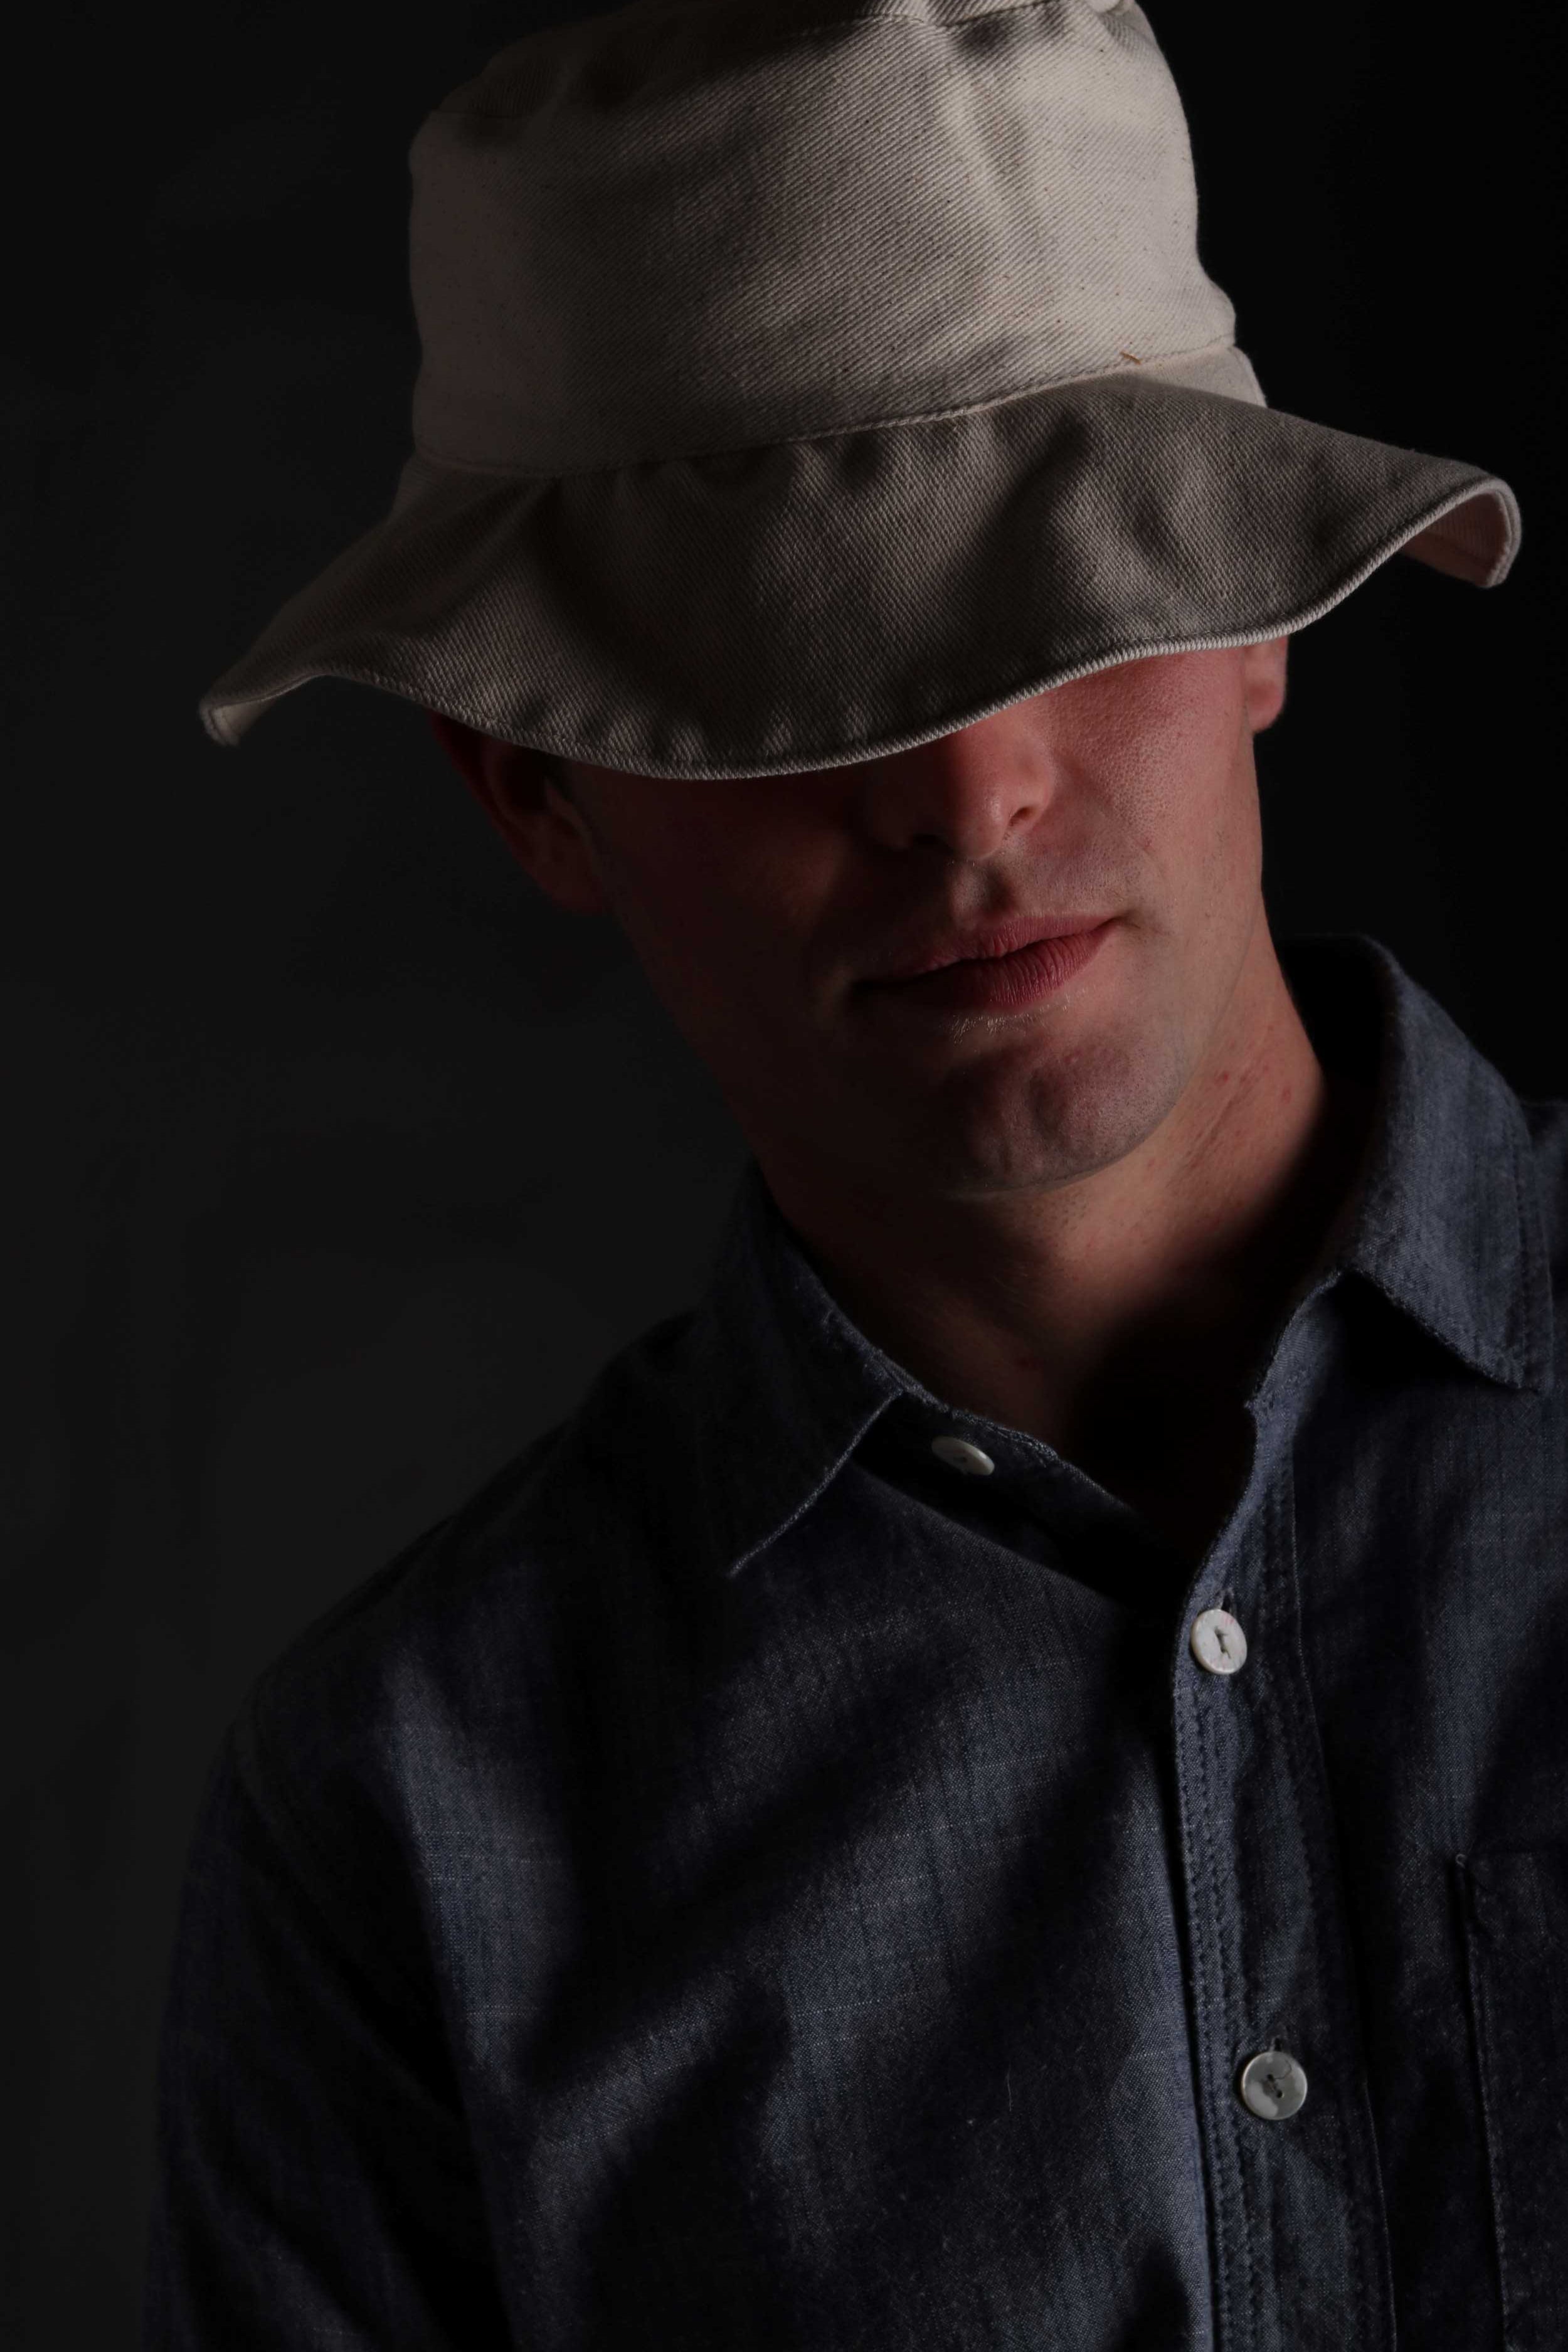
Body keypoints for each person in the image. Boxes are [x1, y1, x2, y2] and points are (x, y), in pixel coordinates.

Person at [148, 3, 1564, 2348]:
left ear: (1256, 626)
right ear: (531, 790)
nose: (970, 787)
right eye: (792, 672)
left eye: (1081, 596)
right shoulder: (405, 1833)